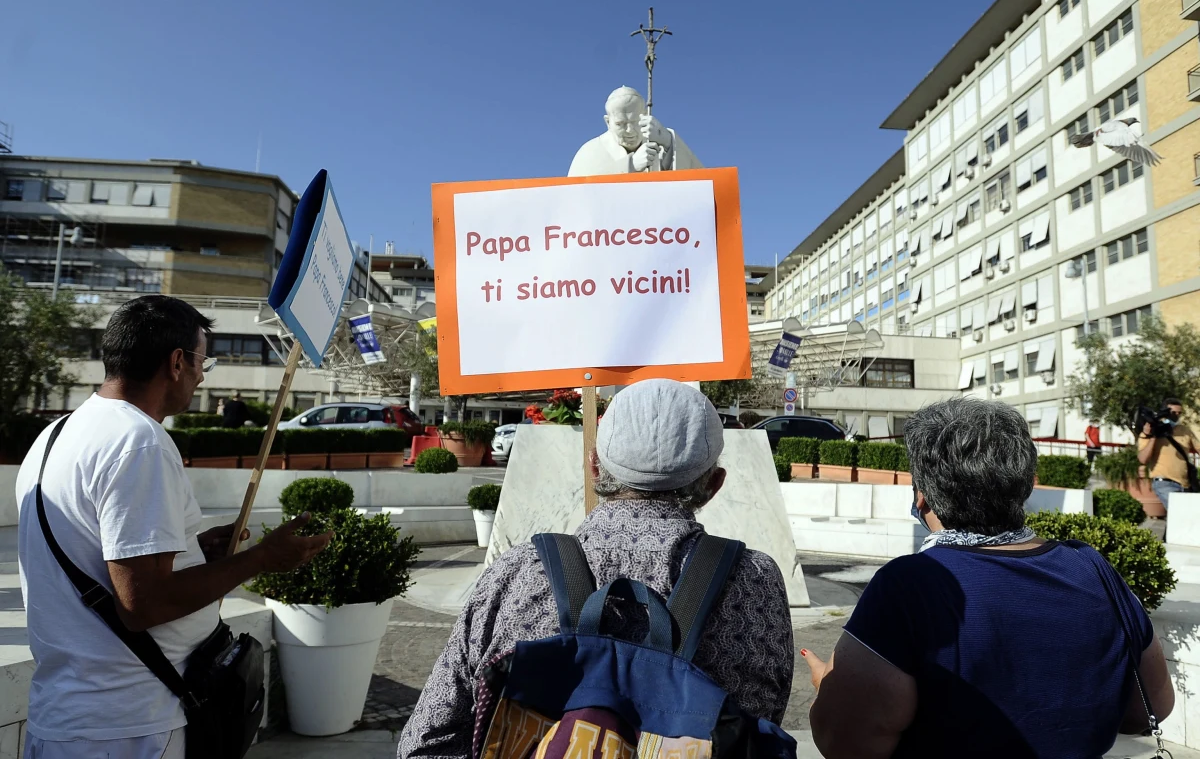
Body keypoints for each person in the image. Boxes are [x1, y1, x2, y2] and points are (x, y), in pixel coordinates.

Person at [398, 379, 794, 759]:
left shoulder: (517, 572)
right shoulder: (754, 579)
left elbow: (427, 741)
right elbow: (761, 725)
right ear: (715, 484)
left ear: (593, 467)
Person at [16, 295, 333, 758]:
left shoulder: (58, 433)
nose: (203, 375)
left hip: (73, 715)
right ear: (177, 362)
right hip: (128, 726)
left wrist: (192, 549)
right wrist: (262, 559)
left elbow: (98, 555)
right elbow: (144, 604)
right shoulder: (138, 441)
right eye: (204, 361)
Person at [801, 398, 1173, 759]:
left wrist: (827, 687)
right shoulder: (1091, 567)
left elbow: (847, 743)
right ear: (1026, 485)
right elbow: (1151, 709)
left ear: (922, 495)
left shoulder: (908, 586)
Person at [567, 86, 703, 176]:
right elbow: (577, 193)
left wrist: (669, 142)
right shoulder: (590, 152)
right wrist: (631, 165)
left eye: (635, 122)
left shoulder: (661, 146)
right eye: (620, 124)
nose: (629, 130)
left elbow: (702, 182)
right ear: (608, 122)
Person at [1138, 397, 1198, 509]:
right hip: (1164, 483)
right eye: (1173, 412)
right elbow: (1143, 459)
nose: (1176, 416)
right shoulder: (1149, 433)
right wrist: (1154, 436)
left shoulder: (1184, 430)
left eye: (1179, 413)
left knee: (1184, 516)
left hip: (1185, 484)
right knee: (1179, 512)